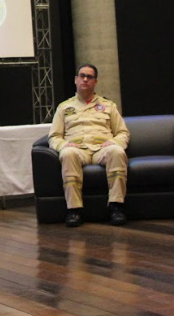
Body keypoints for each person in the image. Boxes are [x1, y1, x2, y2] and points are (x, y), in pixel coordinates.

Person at [48, 64, 130, 227]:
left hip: (102, 149)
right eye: (82, 76)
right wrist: (64, 145)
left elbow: (123, 132)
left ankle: (116, 207)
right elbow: (54, 136)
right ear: (76, 79)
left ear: (95, 82)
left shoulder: (109, 106)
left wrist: (114, 142)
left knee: (117, 151)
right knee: (67, 153)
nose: (85, 79)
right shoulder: (64, 107)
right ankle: (74, 210)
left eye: (90, 77)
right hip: (78, 150)